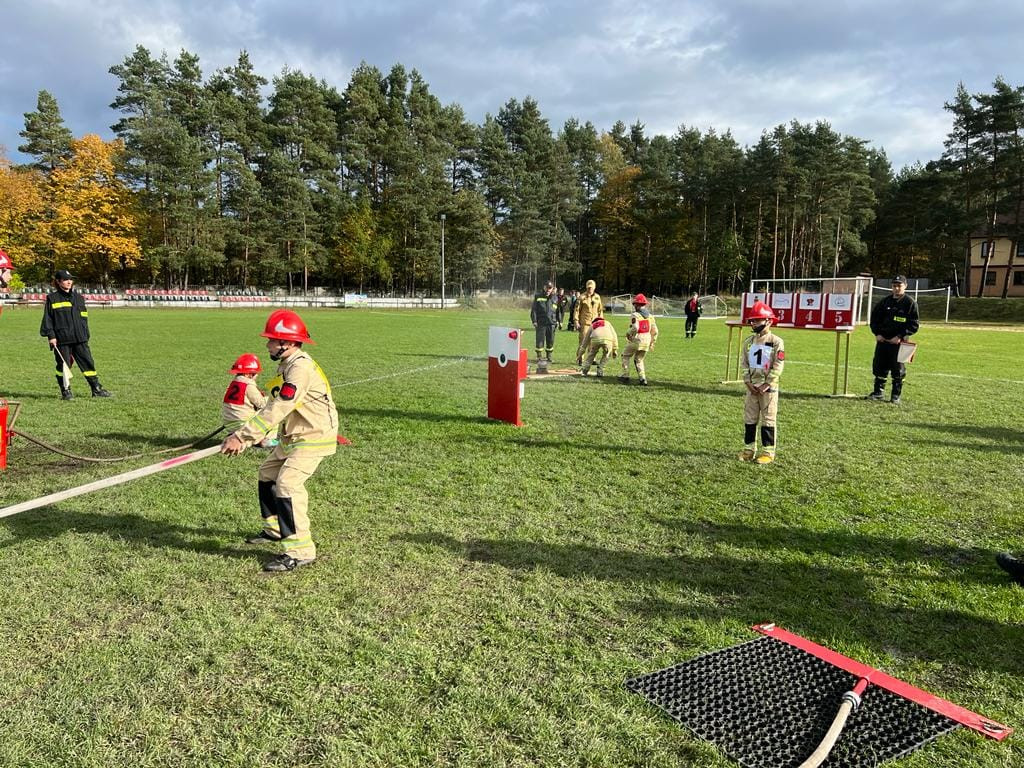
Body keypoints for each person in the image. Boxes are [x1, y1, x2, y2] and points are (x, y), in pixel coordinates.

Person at [220, 309, 339, 573]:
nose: (268, 344)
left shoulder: (300, 368)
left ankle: (300, 551)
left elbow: (281, 407)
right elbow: (272, 406)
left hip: (313, 436)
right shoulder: (287, 364)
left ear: (287, 342)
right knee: (267, 474)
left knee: (287, 485)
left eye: (272, 340)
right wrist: (246, 436)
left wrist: (242, 436)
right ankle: (274, 529)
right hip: (294, 435)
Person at [39, 269, 112, 400]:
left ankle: (96, 389)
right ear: (58, 281)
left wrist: (85, 335)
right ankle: (66, 391)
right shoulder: (52, 298)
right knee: (63, 366)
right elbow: (48, 319)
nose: (69, 282)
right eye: (66, 279)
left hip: (80, 338)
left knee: (88, 363)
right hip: (62, 340)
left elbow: (84, 318)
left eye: (70, 279)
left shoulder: (79, 298)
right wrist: (51, 336)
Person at [739, 300, 785, 464]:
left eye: (758, 320)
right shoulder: (748, 342)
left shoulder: (776, 342)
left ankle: (768, 452)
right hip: (751, 389)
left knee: (768, 420)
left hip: (768, 390)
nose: (753, 323)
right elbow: (744, 363)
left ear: (769, 321)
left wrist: (768, 384)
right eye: (752, 320)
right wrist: (747, 382)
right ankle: (749, 449)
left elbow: (778, 365)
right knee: (749, 419)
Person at [867, 275, 919, 404]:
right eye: (894, 286)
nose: (896, 288)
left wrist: (900, 336)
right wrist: (877, 333)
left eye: (899, 286)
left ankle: (895, 396)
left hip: (898, 343)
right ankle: (878, 393)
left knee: (898, 369)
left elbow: (914, 324)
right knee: (879, 367)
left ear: (905, 286)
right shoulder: (884, 302)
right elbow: (874, 319)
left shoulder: (910, 303)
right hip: (883, 341)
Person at [221, 353, 278, 449]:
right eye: (256, 374)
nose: (257, 376)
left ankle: (237, 435)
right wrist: (271, 398)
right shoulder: (248, 384)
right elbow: (261, 404)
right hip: (244, 423)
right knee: (273, 411)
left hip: (230, 423)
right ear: (248, 374)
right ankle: (268, 439)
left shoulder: (234, 383)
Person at [619, 293, 658, 385]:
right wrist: (652, 341)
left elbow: (635, 327)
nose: (634, 306)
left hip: (637, 339)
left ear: (637, 305)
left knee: (625, 355)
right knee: (639, 359)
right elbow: (655, 331)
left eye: (635, 304)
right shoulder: (651, 317)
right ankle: (642, 379)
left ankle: (625, 375)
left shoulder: (635, 315)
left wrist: (628, 333)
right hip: (646, 340)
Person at [530, 281, 558, 371]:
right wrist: (534, 321)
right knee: (540, 340)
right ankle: (539, 357)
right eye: (547, 287)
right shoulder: (538, 296)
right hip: (541, 323)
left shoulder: (555, 298)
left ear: (552, 289)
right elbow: (534, 310)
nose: (548, 289)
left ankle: (549, 357)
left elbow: (557, 311)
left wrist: (558, 321)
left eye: (550, 288)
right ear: (544, 287)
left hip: (551, 323)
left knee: (550, 340)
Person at [573, 279, 604, 348]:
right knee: (583, 343)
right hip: (585, 324)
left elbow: (600, 310)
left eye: (591, 287)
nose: (590, 289)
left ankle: (591, 358)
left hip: (595, 324)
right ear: (586, 287)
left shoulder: (597, 297)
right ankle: (580, 358)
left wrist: (601, 322)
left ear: (594, 287)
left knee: (593, 343)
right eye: (588, 287)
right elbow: (576, 310)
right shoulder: (582, 297)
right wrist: (576, 321)